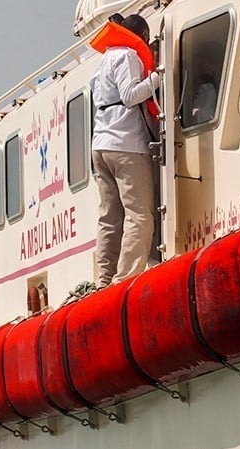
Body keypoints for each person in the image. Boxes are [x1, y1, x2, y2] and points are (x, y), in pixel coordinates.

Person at [90, 14, 160, 288]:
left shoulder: (103, 61)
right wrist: (157, 77)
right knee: (139, 216)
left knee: (109, 218)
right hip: (126, 145)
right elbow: (130, 96)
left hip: (101, 145)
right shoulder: (128, 55)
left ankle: (104, 280)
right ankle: (125, 278)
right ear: (141, 36)